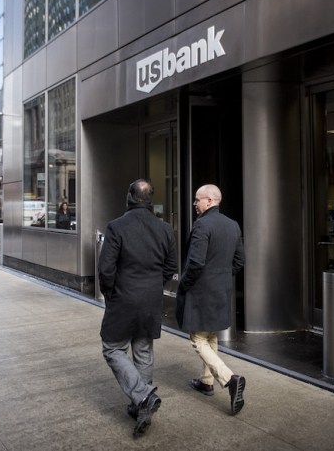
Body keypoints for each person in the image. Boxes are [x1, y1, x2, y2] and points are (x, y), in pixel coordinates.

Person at [98, 179, 177, 437]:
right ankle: (140, 405)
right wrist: (154, 286)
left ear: (131, 196)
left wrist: (109, 294)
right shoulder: (165, 229)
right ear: (150, 199)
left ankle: (142, 396)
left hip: (123, 298)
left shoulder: (116, 227)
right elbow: (171, 266)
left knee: (112, 348)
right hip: (151, 300)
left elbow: (105, 268)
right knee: (143, 351)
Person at [176, 184, 246, 415]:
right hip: (221, 289)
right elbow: (239, 261)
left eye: (197, 200)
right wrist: (222, 277)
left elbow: (195, 263)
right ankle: (206, 381)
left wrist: (184, 284)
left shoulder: (202, 225)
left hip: (201, 291)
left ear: (209, 201)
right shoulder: (232, 225)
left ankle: (229, 379)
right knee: (211, 333)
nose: (195, 204)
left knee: (198, 338)